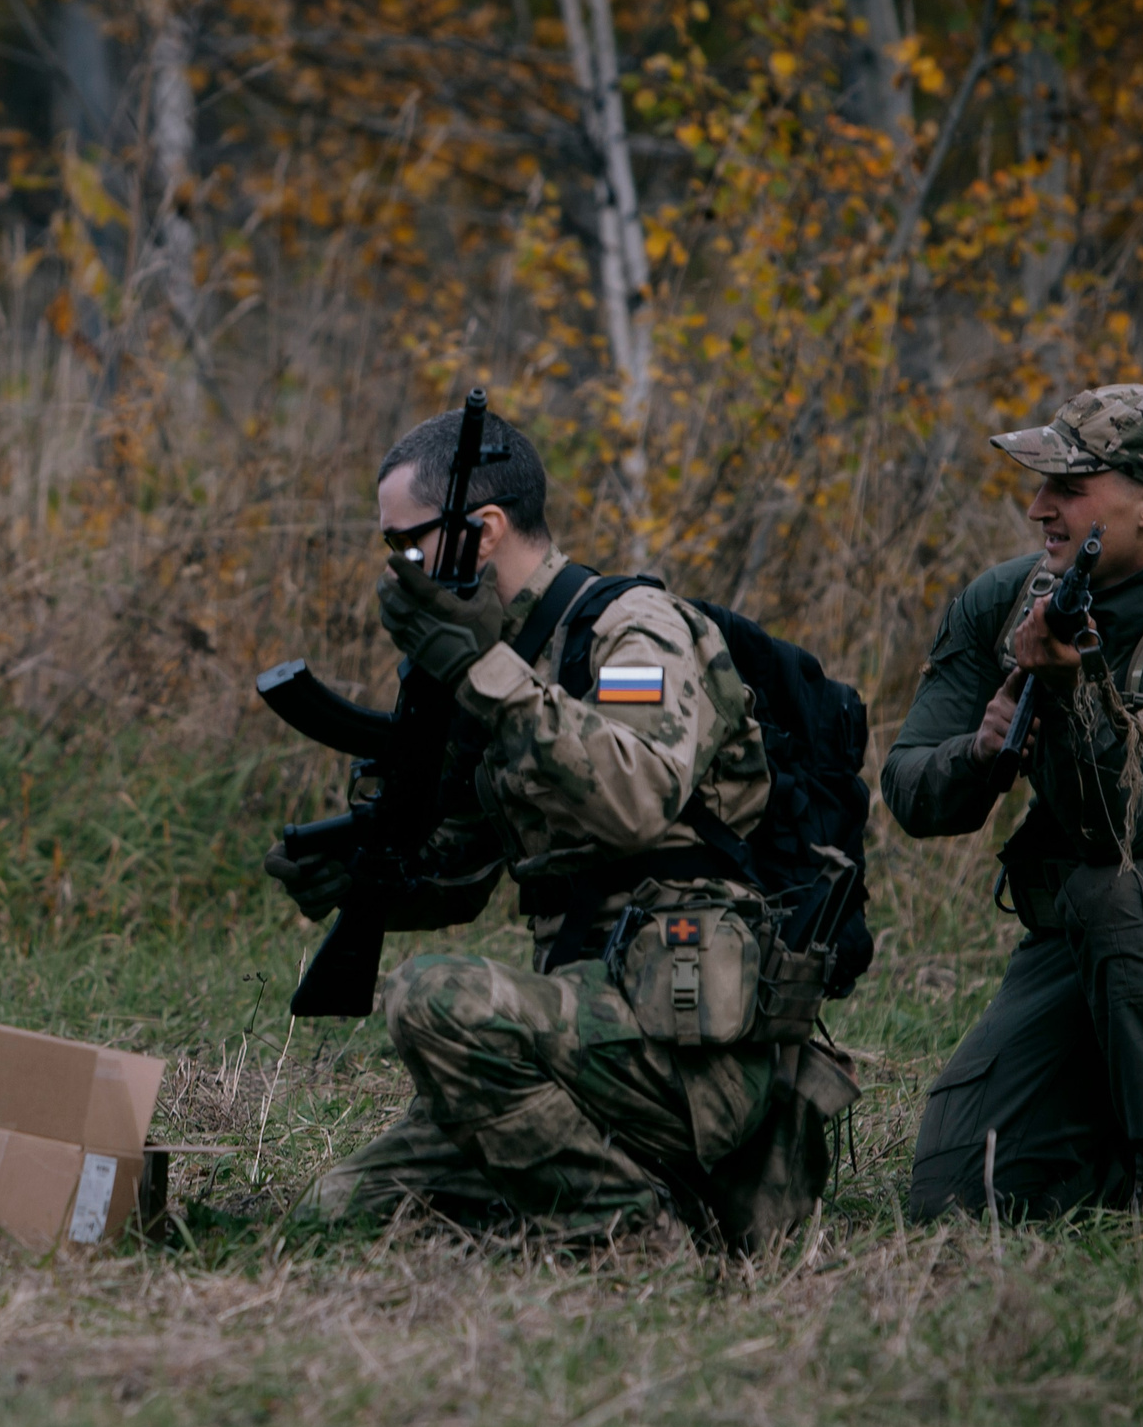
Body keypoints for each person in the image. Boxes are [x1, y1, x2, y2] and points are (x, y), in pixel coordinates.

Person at [266, 408, 857, 1248]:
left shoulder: (632, 631)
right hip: (582, 1039)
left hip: (687, 1050)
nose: (397, 570)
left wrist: (485, 676)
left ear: (482, 531)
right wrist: (362, 877)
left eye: (406, 546)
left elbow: (639, 796)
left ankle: (629, 1230)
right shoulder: (489, 659)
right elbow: (465, 874)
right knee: (335, 1221)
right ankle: (614, 1188)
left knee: (435, 997)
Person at [883, 384, 1143, 1220]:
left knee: (1116, 891)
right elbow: (911, 791)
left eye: (1070, 488)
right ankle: (1110, 1148)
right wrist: (981, 754)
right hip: (1082, 945)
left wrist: (1068, 692)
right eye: (1043, 486)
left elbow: (1126, 833)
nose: (1039, 508)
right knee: (955, 1199)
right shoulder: (1011, 601)